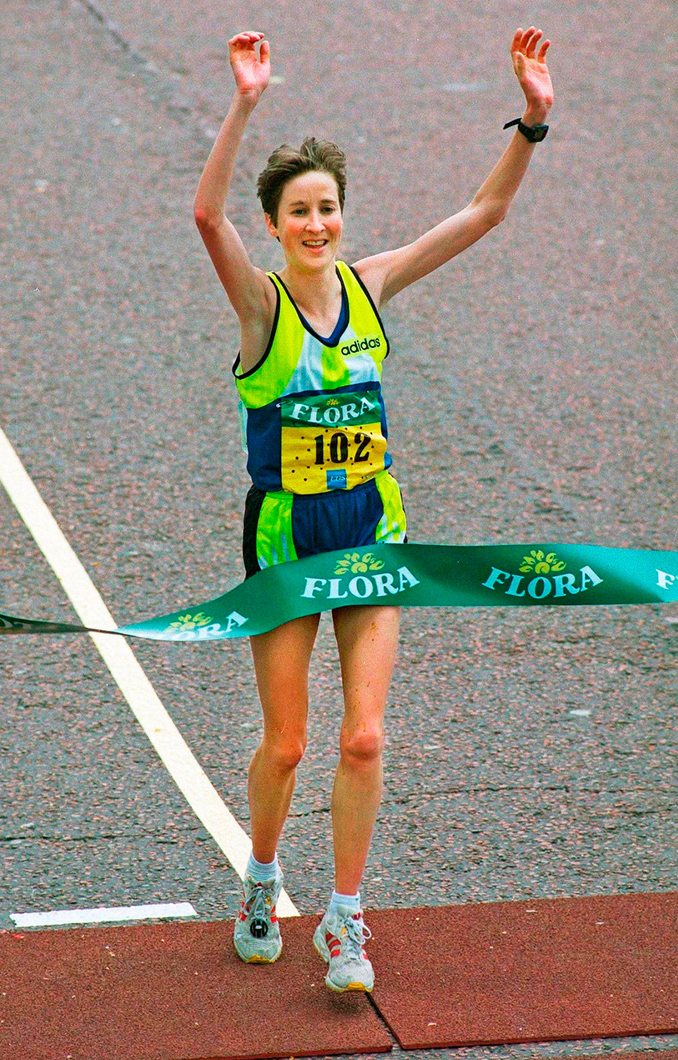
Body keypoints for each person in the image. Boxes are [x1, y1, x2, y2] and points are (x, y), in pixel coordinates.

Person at [194, 27, 553, 992]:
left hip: (370, 535)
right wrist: (244, 104)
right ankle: (260, 879)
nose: (318, 224)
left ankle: (345, 921)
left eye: (328, 209)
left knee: (363, 737)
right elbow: (204, 219)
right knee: (288, 743)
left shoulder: (370, 284)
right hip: (284, 541)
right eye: (300, 212)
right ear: (276, 224)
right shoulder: (263, 311)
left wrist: (532, 121)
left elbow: (481, 213)